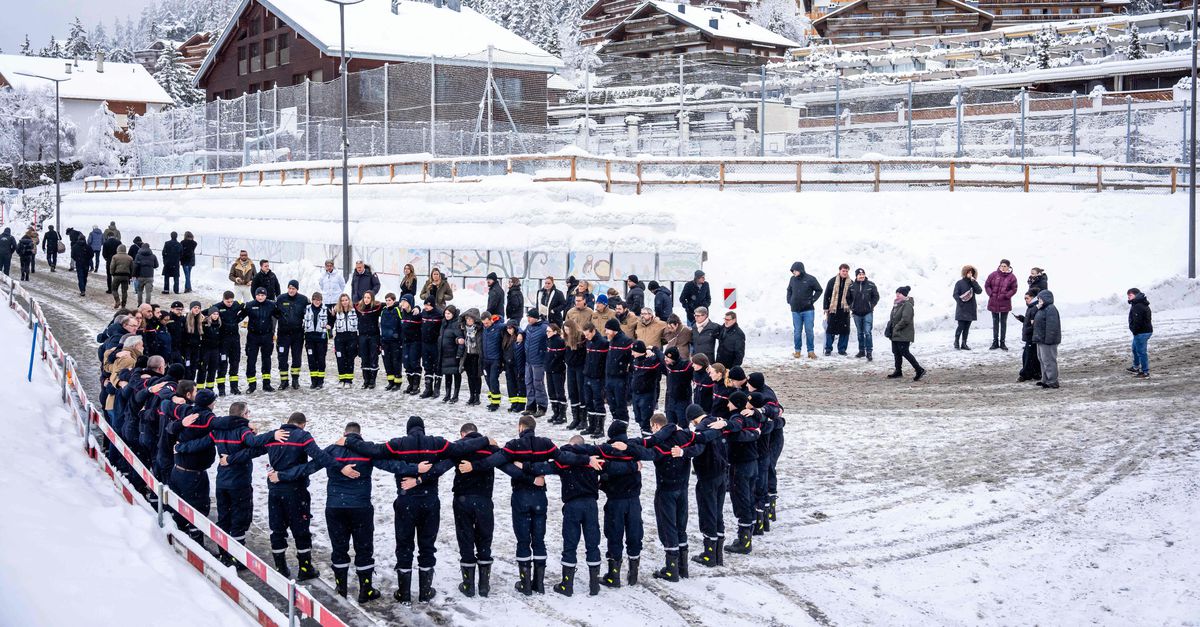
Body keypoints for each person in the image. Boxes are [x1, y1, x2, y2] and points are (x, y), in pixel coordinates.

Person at [342, 415, 490, 604]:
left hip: (406, 501)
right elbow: (460, 449)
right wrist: (484, 440)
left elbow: (374, 450)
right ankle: (425, 592)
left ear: (408, 429)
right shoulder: (437, 443)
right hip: (430, 501)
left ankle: (404, 594)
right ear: (423, 429)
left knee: (404, 545)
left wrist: (350, 439)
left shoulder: (398, 444)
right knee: (427, 546)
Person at [279, 422, 416, 601]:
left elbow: (308, 468)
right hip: (361, 508)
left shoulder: (332, 450)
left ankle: (341, 588)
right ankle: (365, 590)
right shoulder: (367, 452)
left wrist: (282, 475)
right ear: (359, 435)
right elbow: (392, 466)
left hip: (335, 507)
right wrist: (417, 470)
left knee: (339, 547)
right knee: (364, 548)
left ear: (344, 434)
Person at [459, 415, 594, 597]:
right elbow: (564, 457)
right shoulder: (545, 443)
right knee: (539, 539)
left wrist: (475, 466)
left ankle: (525, 584)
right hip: (540, 496)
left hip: (521, 496)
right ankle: (539, 583)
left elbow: (494, 461)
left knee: (523, 540)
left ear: (521, 427)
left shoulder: (514, 445)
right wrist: (586, 460)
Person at [245, 412, 357, 580]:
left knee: (277, 529)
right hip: (296, 491)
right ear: (303, 424)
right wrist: (340, 467)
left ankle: (280, 567)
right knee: (301, 530)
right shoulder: (302, 436)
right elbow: (319, 456)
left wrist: (231, 458)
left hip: (275, 491)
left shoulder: (275, 435)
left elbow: (251, 451)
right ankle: (305, 568)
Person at [527, 434, 631, 597]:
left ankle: (567, 584)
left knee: (570, 544)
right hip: (590, 505)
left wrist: (523, 464)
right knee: (593, 544)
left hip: (572, 506)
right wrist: (633, 466)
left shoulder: (564, 460)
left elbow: (541, 468)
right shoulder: (594, 460)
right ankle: (594, 584)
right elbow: (616, 468)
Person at [172, 400, 262, 566]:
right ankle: (237, 557)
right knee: (240, 519)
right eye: (247, 412)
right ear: (243, 415)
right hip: (239, 483)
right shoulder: (243, 432)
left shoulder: (218, 431)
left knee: (224, 517)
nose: (249, 415)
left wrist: (181, 448)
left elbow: (200, 444)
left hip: (222, 483)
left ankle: (224, 554)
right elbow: (254, 449)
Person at [446, 423, 501, 597]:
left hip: (463, 498)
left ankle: (468, 585)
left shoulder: (459, 448)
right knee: (485, 539)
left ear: (463, 434)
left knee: (465, 538)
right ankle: (484, 586)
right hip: (484, 498)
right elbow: (502, 460)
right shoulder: (490, 448)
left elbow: (445, 459)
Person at [689, 403, 729, 568]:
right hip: (722, 473)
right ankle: (718, 553)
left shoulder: (701, 430)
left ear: (693, 419)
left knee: (708, 512)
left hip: (708, 476)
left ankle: (709, 554)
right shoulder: (717, 423)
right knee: (718, 511)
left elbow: (698, 449)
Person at [723, 392, 761, 556]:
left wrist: (725, 425)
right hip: (753, 463)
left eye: (730, 402)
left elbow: (736, 428)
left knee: (741, 500)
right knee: (749, 498)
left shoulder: (737, 418)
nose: (727, 405)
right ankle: (747, 535)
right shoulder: (753, 418)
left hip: (740, 465)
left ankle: (744, 541)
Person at [239, 287, 281, 393]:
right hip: (253, 337)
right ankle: (252, 385)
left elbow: (280, 315)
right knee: (251, 360)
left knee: (266, 360)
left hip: (267, 336)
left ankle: (266, 384)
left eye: (262, 295)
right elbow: (239, 317)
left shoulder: (271, 305)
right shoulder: (249, 305)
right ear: (255, 295)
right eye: (258, 295)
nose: (260, 297)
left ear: (266, 296)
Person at [564, 294, 594, 428]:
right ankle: (575, 417)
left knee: (582, 391)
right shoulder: (570, 312)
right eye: (575, 300)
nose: (577, 302)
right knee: (572, 391)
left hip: (580, 365)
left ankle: (583, 419)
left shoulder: (589, 313)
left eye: (579, 300)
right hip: (570, 365)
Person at [276, 280, 309, 390]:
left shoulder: (303, 300)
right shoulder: (281, 299)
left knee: (296, 357)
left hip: (297, 334)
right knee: (282, 358)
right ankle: (284, 381)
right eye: (289, 288)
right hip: (283, 334)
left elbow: (310, 312)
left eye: (293, 288)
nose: (291, 290)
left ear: (297, 289)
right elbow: (274, 313)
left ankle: (295, 380)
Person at [887, 286, 925, 381]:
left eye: (899, 293)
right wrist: (890, 328)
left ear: (904, 295)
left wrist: (896, 328)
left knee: (905, 352)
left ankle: (919, 369)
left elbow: (906, 319)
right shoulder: (896, 304)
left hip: (904, 333)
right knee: (896, 352)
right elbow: (893, 318)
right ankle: (898, 371)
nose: (897, 295)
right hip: (895, 333)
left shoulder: (907, 305)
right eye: (896, 293)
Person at [787, 261, 823, 359]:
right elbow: (789, 290)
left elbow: (819, 290)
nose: (793, 272)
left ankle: (810, 351)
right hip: (795, 310)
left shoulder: (810, 279)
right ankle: (797, 351)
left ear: (800, 270)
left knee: (809, 331)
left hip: (808, 310)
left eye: (795, 270)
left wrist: (812, 300)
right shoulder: (792, 279)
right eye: (792, 271)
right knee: (797, 331)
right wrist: (789, 301)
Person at [603, 318, 634, 435]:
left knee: (620, 404)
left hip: (620, 379)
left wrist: (626, 373)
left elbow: (631, 362)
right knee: (612, 403)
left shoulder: (626, 341)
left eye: (607, 330)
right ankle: (615, 422)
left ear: (614, 330)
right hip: (609, 377)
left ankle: (622, 427)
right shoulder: (610, 341)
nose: (606, 332)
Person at [214, 291, 244, 395]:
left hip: (235, 339)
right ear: (223, 299)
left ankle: (234, 387)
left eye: (231, 301)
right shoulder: (217, 306)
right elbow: (206, 313)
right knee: (222, 365)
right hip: (223, 340)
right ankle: (221, 389)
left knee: (235, 363)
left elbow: (245, 309)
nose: (230, 303)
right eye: (228, 302)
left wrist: (238, 319)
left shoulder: (236, 304)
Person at [581, 322, 609, 437]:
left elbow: (605, 362)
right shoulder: (589, 342)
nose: (586, 337)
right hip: (588, 375)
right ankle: (591, 425)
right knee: (588, 401)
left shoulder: (603, 343)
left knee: (598, 402)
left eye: (588, 335)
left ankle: (600, 428)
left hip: (598, 378)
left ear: (593, 331)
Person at [984, 259, 1018, 350]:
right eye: (1001, 266)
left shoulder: (1012, 277)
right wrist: (991, 294)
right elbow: (987, 285)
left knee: (1003, 323)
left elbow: (1014, 289)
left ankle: (1002, 342)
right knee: (995, 322)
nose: (1002, 268)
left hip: (1005, 303)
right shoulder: (993, 275)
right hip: (993, 302)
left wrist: (1007, 296)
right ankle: (995, 342)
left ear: (1008, 267)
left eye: (1005, 266)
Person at [629, 340, 661, 434]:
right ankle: (643, 431)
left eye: (634, 351)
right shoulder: (635, 360)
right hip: (636, 393)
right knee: (638, 417)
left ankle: (647, 436)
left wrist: (654, 350)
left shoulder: (652, 360)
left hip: (647, 394)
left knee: (646, 419)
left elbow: (662, 360)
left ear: (639, 351)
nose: (632, 353)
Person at [821, 264, 854, 356]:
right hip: (833, 310)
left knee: (845, 331)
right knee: (830, 330)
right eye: (843, 271)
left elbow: (853, 297)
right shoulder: (832, 281)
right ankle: (828, 349)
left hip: (845, 310)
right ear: (839, 271)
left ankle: (842, 349)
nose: (845, 273)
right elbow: (827, 294)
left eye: (847, 271)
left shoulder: (851, 282)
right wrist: (826, 307)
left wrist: (851, 306)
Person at [848, 268, 879, 360]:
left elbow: (876, 296)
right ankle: (861, 351)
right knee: (860, 333)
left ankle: (869, 352)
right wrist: (851, 306)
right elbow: (848, 298)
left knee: (867, 332)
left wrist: (871, 305)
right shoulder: (852, 286)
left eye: (863, 274)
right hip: (856, 313)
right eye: (859, 275)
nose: (861, 276)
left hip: (867, 313)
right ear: (856, 276)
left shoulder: (871, 285)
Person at [1032, 290, 1061, 389]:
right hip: (1041, 339)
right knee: (1042, 359)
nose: (1039, 301)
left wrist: (1049, 340)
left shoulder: (1050, 309)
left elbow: (1052, 326)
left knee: (1049, 360)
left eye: (1040, 299)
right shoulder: (1042, 309)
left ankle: (1052, 380)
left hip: (1047, 341)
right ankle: (1045, 379)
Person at [302, 293, 331, 388]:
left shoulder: (326, 309)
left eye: (319, 300)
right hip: (310, 338)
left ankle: (320, 381)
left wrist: (330, 325)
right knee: (312, 360)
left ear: (321, 300)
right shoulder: (306, 309)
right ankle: (313, 381)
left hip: (321, 338)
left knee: (321, 360)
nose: (317, 302)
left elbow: (332, 319)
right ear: (312, 300)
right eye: (315, 300)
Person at [356, 291, 384, 390]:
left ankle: (372, 381)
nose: (366, 299)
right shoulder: (359, 308)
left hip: (374, 336)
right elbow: (346, 306)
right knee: (364, 358)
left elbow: (392, 303)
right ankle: (366, 380)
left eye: (368, 298)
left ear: (372, 298)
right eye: (365, 298)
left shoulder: (377, 307)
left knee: (373, 358)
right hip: (362, 336)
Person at [332, 294, 360, 388]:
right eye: (342, 300)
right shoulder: (336, 311)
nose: (344, 302)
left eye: (346, 300)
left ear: (349, 300)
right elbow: (330, 321)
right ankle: (341, 379)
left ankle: (349, 380)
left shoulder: (355, 310)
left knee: (350, 358)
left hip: (352, 337)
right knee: (340, 359)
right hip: (340, 337)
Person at [1013, 289, 1042, 383]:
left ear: (1033, 298)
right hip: (1031, 336)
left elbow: (1035, 323)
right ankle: (1036, 373)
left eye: (1027, 298)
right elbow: (1030, 321)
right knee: (1033, 357)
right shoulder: (1032, 307)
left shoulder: (1034, 308)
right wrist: (1023, 319)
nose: (1026, 300)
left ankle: (1025, 374)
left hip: (1032, 336)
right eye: (1024, 298)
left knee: (1027, 357)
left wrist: (1028, 330)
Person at [438, 305, 465, 402]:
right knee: (447, 375)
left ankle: (455, 395)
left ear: (453, 314)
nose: (446, 315)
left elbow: (461, 339)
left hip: (454, 354)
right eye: (445, 313)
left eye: (449, 313)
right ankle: (447, 394)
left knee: (456, 374)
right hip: (445, 354)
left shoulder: (456, 324)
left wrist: (459, 354)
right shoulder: (444, 323)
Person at [953, 265, 983, 350]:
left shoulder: (973, 282)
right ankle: (956, 342)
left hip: (971, 309)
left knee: (967, 328)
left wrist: (974, 282)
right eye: (968, 272)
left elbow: (979, 291)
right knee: (961, 326)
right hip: (962, 309)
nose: (970, 274)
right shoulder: (959, 283)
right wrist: (961, 303)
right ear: (965, 273)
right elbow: (955, 295)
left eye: (972, 272)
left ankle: (964, 343)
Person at [420, 297, 444, 399]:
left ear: (433, 305)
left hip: (435, 344)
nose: (426, 307)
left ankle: (437, 389)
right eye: (425, 305)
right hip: (425, 344)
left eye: (428, 305)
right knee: (427, 366)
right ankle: (428, 388)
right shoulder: (423, 313)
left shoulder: (439, 314)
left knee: (437, 367)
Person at [545, 323, 569, 424]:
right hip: (550, 369)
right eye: (546, 331)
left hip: (557, 370)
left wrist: (553, 364)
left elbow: (559, 356)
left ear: (555, 332)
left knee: (559, 392)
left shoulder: (559, 341)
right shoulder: (549, 340)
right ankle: (556, 412)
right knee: (551, 391)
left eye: (549, 331)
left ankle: (562, 414)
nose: (547, 333)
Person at [400, 295, 423, 394]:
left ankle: (416, 386)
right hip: (406, 342)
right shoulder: (402, 313)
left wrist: (418, 307)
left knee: (414, 363)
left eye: (405, 302)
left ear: (410, 303)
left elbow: (424, 314)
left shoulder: (416, 314)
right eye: (402, 301)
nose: (402, 304)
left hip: (415, 342)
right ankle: (410, 384)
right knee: (406, 363)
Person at [380, 294, 404, 391]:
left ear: (394, 301)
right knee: (387, 362)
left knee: (396, 362)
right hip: (385, 341)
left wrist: (400, 340)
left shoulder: (397, 310)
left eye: (389, 300)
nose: (388, 302)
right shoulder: (384, 311)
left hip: (395, 342)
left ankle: (397, 383)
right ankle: (390, 382)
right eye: (386, 300)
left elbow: (401, 326)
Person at [1127, 288, 1152, 379]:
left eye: (1130, 295)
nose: (1128, 297)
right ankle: (1136, 367)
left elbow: (1138, 321)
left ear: (1136, 295)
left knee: (1141, 352)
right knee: (1135, 349)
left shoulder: (1138, 305)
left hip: (1142, 332)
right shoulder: (1138, 303)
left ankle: (1145, 372)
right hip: (1141, 332)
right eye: (1128, 295)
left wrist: (1135, 330)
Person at [481, 313, 505, 410]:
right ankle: (492, 400)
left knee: (493, 380)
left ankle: (496, 403)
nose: (485, 325)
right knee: (487, 379)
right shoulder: (483, 328)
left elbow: (513, 326)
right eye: (484, 323)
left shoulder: (499, 327)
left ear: (491, 320)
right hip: (486, 359)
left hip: (495, 359)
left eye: (487, 323)